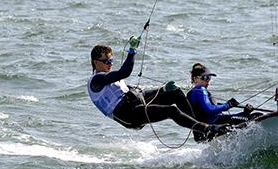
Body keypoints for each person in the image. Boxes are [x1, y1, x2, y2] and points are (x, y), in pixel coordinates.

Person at [87, 37, 223, 139]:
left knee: (174, 92)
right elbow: (125, 72)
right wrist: (132, 51)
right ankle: (207, 129)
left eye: (111, 61)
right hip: (127, 114)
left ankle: (199, 132)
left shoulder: (110, 78)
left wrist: (162, 90)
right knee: (171, 111)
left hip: (135, 104)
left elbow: (135, 94)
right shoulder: (97, 80)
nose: (110, 64)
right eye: (106, 61)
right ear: (95, 62)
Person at [186, 63, 255, 141]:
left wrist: (245, 112)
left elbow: (208, 112)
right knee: (255, 116)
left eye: (209, 78)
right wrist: (228, 105)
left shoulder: (191, 93)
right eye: (204, 77)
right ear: (195, 79)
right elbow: (210, 109)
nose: (207, 81)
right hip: (215, 126)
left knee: (246, 116)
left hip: (204, 133)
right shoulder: (201, 90)